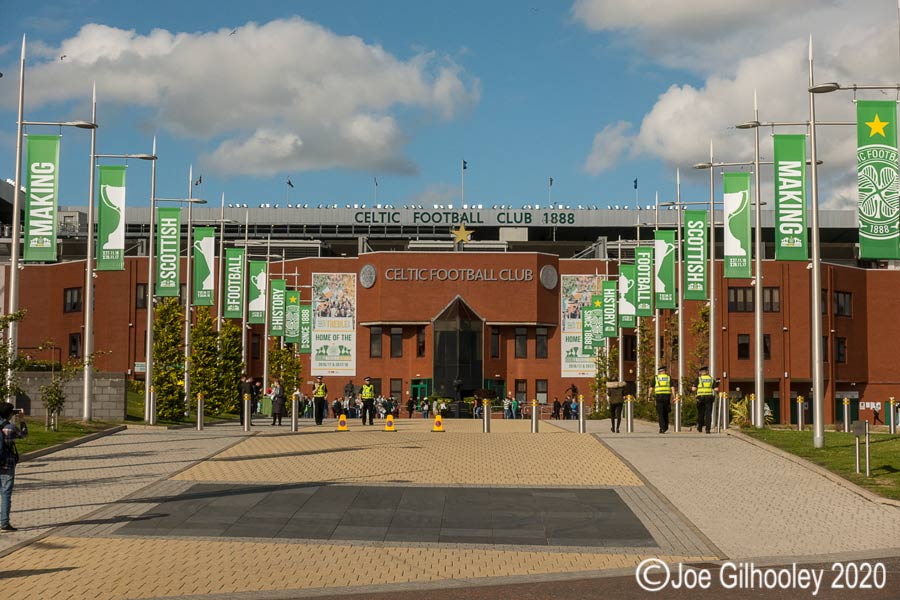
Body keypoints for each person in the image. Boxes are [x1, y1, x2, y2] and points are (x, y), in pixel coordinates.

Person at [0, 402, 27, 532]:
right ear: (10, 414)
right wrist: (22, 419)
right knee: (5, 493)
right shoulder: (11, 428)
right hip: (7, 464)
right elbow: (24, 434)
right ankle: (4, 523)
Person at [692, 366, 716, 434]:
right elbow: (716, 389)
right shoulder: (711, 379)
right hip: (709, 398)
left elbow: (693, 389)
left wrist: (695, 388)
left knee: (701, 413)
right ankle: (708, 429)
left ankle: (700, 427)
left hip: (701, 398)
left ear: (700, 372)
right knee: (708, 414)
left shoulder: (698, 379)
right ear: (707, 372)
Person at [650, 365, 672, 434]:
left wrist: (649, 396)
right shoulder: (668, 377)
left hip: (659, 397)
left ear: (659, 372)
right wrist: (674, 396)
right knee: (666, 412)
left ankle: (662, 428)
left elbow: (651, 388)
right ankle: (665, 426)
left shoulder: (656, 378)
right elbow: (672, 387)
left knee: (660, 413)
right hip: (667, 397)